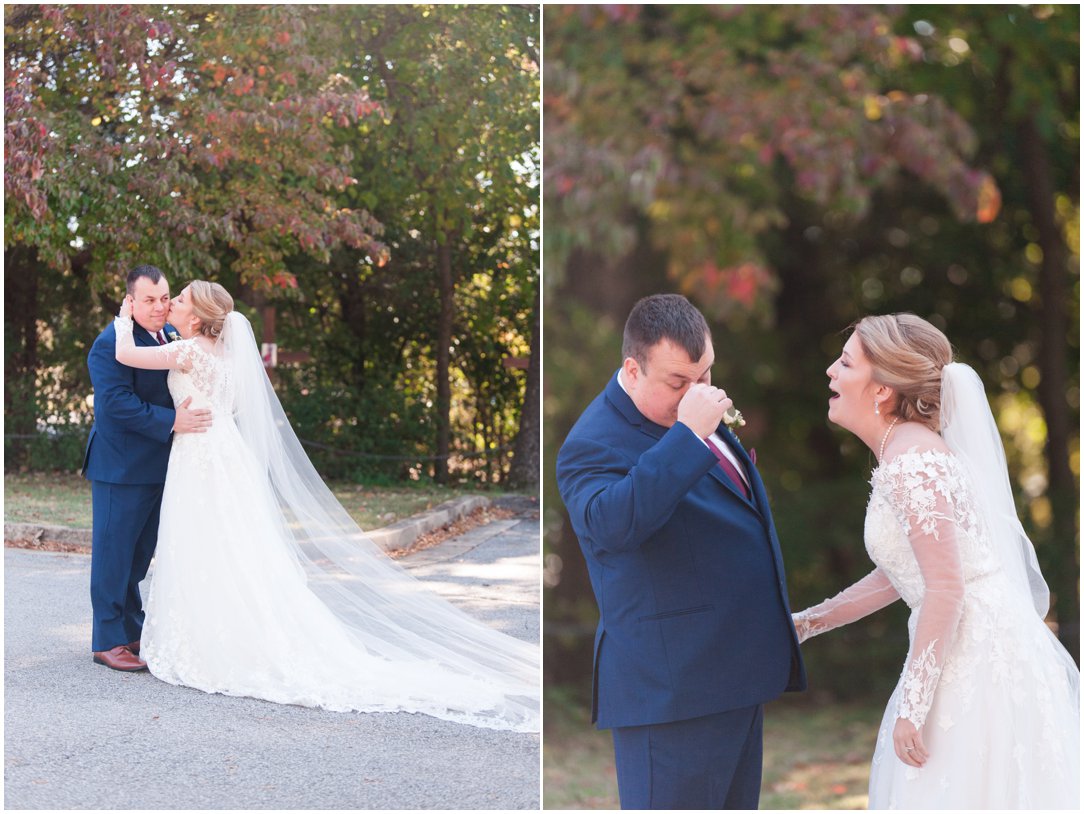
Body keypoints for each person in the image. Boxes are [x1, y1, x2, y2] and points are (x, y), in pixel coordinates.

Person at [109, 280, 539, 732]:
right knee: (230, 546)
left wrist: (123, 317)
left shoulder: (187, 352)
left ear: (196, 318)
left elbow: (125, 355)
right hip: (225, 452)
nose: (171, 303)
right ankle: (227, 631)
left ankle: (206, 639)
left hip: (199, 455)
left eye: (178, 300)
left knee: (203, 544)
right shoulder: (229, 359)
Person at [794, 313, 1079, 809]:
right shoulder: (904, 451)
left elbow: (946, 588)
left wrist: (915, 703)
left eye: (844, 363)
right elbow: (900, 573)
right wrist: (809, 622)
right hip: (962, 640)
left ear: (881, 390)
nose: (830, 373)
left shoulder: (912, 462)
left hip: (977, 655)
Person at [556, 294, 806, 809]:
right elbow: (613, 525)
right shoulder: (592, 443)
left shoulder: (691, 412)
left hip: (733, 676)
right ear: (632, 368)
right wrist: (690, 433)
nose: (698, 394)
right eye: (678, 382)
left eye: (706, 376)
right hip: (670, 694)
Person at [83, 265, 212, 672]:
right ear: (130, 301)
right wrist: (172, 421)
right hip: (119, 466)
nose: (159, 307)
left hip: (162, 464)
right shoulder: (112, 342)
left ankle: (131, 629)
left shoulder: (171, 336)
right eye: (149, 300)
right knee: (113, 554)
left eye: (164, 298)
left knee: (139, 556)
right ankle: (107, 641)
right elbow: (115, 405)